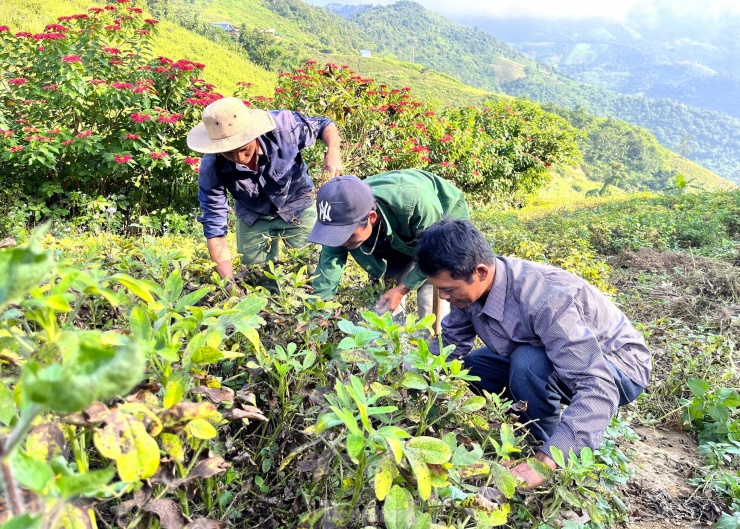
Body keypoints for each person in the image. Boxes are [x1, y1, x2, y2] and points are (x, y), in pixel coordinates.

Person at [416, 218, 651, 488]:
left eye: (448, 290)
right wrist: (413, 381)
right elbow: (450, 347)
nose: (443, 297)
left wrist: (552, 458)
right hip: (552, 355)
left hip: (619, 367)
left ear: (480, 271)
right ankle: (529, 422)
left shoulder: (545, 299)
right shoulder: (466, 290)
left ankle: (545, 448)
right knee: (472, 367)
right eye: (439, 289)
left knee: (528, 363)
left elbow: (598, 385)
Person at [186, 96, 342, 292]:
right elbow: (215, 228)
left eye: (244, 149)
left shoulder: (284, 128)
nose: (240, 159)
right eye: (229, 153)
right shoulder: (211, 168)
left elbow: (324, 125)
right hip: (252, 214)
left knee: (312, 266)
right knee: (258, 278)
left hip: (297, 203)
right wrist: (229, 285)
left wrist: (333, 151)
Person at [308, 170, 469, 320]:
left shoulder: (416, 203)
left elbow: (435, 254)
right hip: (393, 234)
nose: (341, 242)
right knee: (388, 293)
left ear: (371, 217)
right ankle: (396, 344)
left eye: (346, 234)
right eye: (336, 235)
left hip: (438, 225)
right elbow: (328, 270)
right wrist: (318, 312)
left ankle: (433, 343)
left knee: (432, 282)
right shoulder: (340, 217)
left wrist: (403, 288)